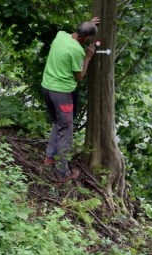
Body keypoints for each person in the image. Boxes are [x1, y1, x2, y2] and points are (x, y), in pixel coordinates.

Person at [41, 17, 100, 181]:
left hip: (46, 87)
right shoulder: (77, 51)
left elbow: (79, 32)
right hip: (61, 94)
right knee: (66, 131)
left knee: (57, 123)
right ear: (86, 38)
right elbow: (80, 76)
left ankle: (49, 158)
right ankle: (63, 173)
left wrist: (88, 24)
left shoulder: (61, 35)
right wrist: (88, 57)